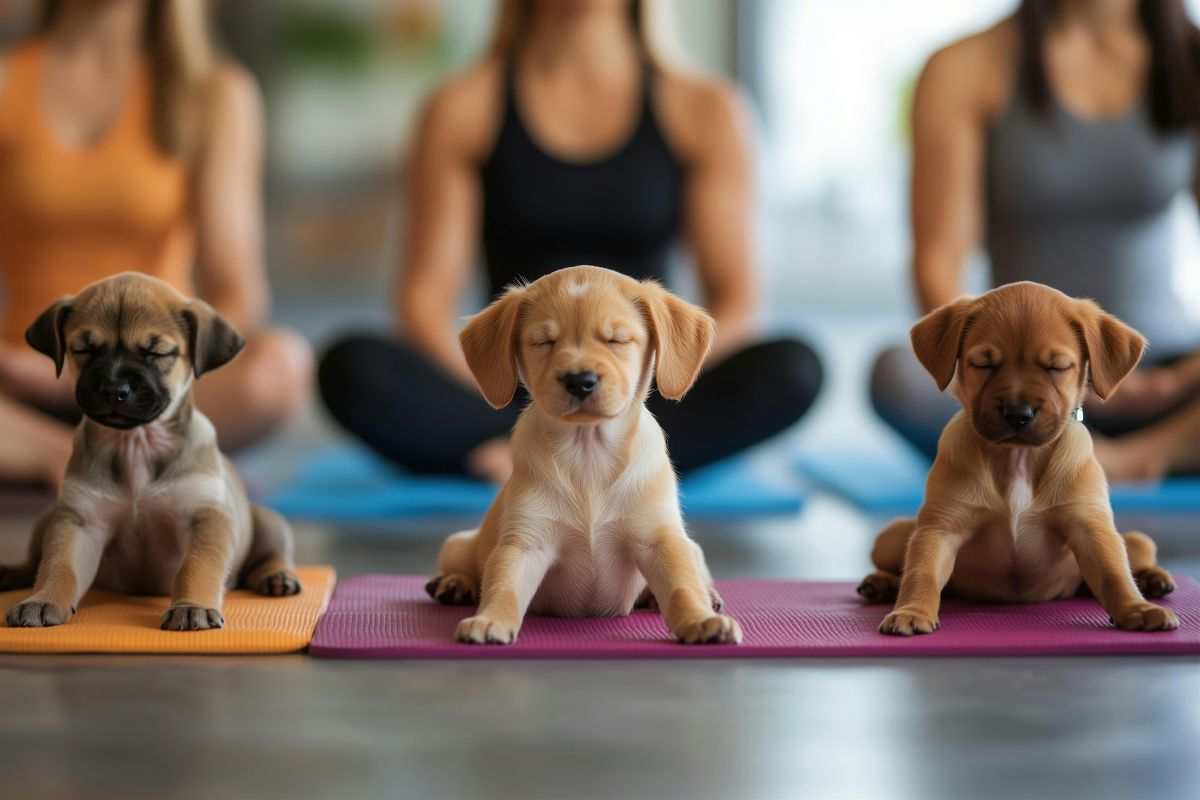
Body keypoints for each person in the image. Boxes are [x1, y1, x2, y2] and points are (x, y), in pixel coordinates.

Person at [318, 0, 822, 482]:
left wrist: (646, 382)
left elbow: (737, 302)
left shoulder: (707, 109)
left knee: (793, 369)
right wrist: (526, 391)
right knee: (354, 369)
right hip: (515, 390)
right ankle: (552, 450)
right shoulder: (462, 107)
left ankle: (567, 453)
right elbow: (423, 301)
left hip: (642, 394)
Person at [871, 0, 1200, 481]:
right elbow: (938, 260)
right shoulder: (966, 67)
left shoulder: (1188, 60)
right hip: (1018, 380)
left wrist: (1185, 375)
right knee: (897, 377)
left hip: (1168, 377)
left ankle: (1133, 459)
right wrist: (998, 371)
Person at [0, 0, 313, 486]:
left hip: (152, 385)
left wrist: (146, 368)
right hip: (24, 384)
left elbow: (237, 294)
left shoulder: (214, 92)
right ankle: (62, 455)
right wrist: (42, 372)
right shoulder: (6, 79)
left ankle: (98, 454)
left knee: (281, 365)